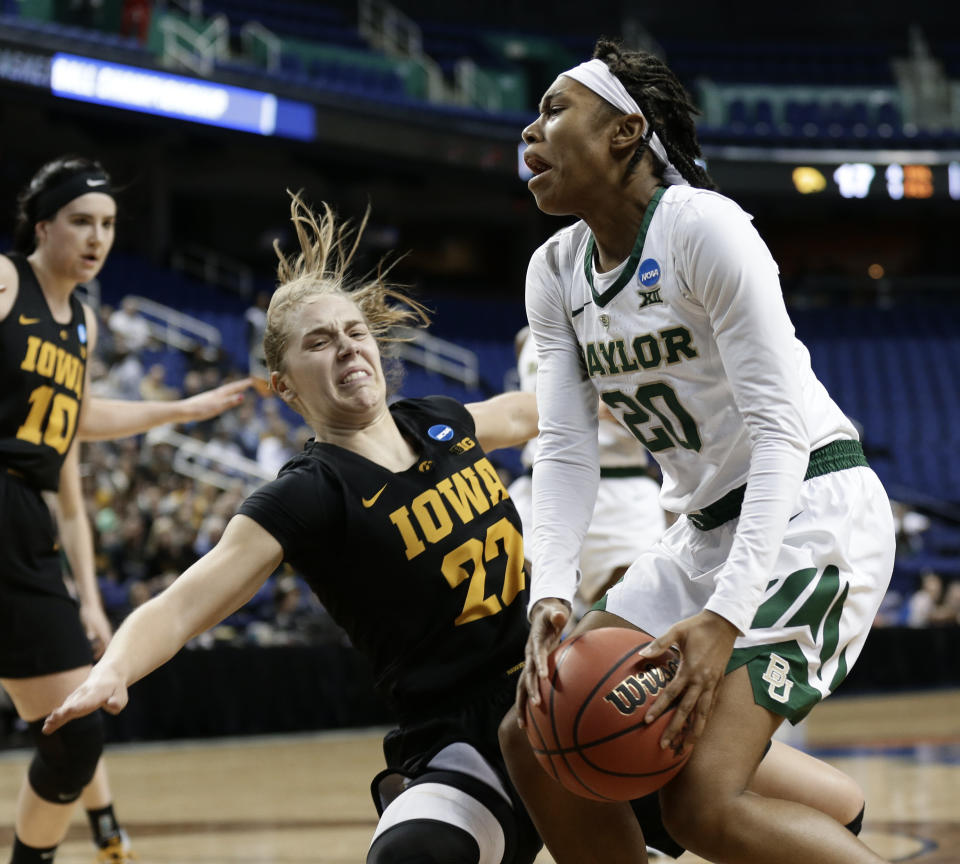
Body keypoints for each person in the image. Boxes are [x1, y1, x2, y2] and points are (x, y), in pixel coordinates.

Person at [42, 193, 545, 864]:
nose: (347, 348)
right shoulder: (309, 493)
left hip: (553, 687)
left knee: (699, 802)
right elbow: (184, 603)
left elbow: (528, 412)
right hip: (458, 732)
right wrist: (115, 669)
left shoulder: (438, 419)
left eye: (353, 332)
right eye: (319, 341)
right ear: (284, 387)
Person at [499, 40, 895, 864]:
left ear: (623, 131)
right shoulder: (553, 270)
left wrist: (723, 619)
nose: (529, 133)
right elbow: (566, 446)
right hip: (701, 533)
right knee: (536, 734)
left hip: (810, 514)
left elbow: (782, 431)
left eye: (553, 110)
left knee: (701, 802)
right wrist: (553, 593)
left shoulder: (704, 228)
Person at [0, 155, 253, 864]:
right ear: (42, 225)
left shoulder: (80, 319)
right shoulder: (6, 279)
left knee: (72, 733)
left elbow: (77, 415)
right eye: (81, 221)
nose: (97, 237)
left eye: (108, 225)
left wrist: (184, 407)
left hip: (26, 519)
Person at [507, 324, 666, 620]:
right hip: (541, 486)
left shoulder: (632, 324)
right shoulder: (525, 338)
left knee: (624, 624)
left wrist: (608, 408)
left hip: (620, 490)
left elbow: (666, 415)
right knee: (515, 617)